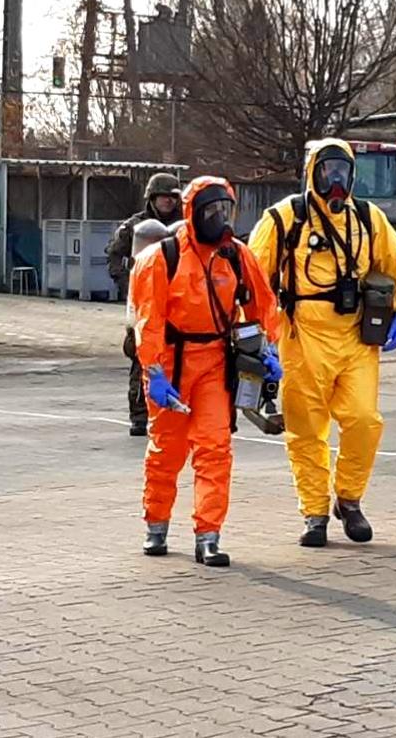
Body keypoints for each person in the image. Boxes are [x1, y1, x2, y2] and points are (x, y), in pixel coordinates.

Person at [249, 139, 396, 547]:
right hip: (301, 336)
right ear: (312, 173)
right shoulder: (285, 219)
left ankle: (349, 498)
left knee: (363, 420)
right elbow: (253, 278)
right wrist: (257, 335)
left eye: (342, 170)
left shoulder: (367, 219)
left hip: (356, 338)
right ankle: (315, 512)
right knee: (306, 430)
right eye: (328, 171)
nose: (335, 180)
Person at [131, 176, 281, 567]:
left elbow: (264, 303)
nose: (219, 218)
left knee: (215, 450)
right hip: (171, 362)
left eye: (225, 210)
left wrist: (270, 348)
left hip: (215, 359)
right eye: (211, 210)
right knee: (166, 451)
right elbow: (148, 321)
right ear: (192, 213)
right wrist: (154, 373)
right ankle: (156, 525)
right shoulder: (161, 258)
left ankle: (208, 535)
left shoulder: (235, 255)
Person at [109, 173, 185, 435]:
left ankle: (173, 408)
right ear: (152, 197)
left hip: (178, 300)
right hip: (143, 301)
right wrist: (129, 286)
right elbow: (114, 256)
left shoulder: (186, 227)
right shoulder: (135, 227)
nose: (167, 201)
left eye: (172, 197)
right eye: (163, 196)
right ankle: (140, 415)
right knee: (141, 352)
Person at [121, 217, 182, 435]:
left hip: (156, 328)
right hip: (140, 327)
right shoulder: (141, 266)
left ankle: (158, 412)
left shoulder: (162, 262)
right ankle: (139, 416)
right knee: (141, 371)